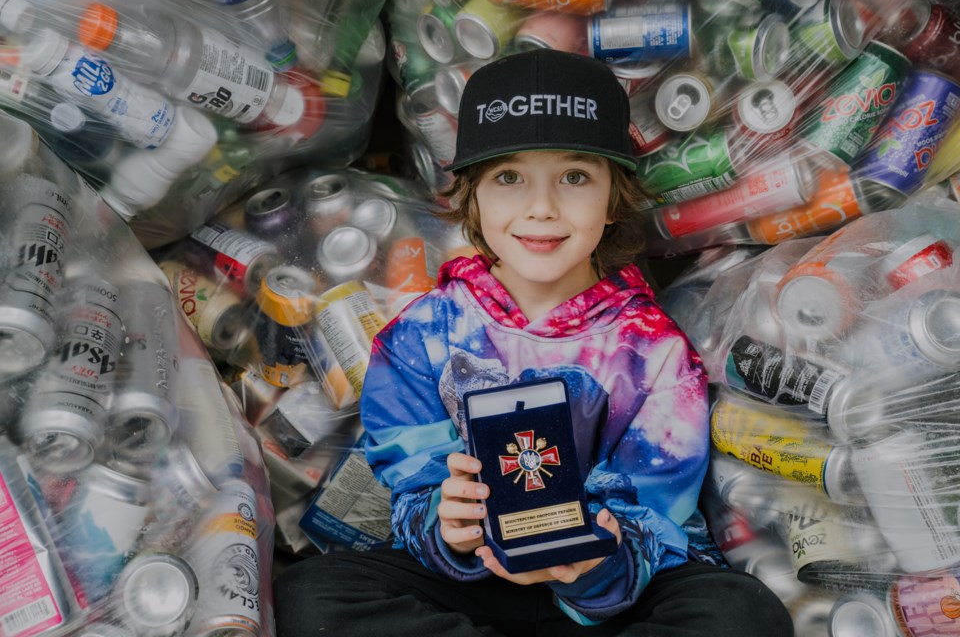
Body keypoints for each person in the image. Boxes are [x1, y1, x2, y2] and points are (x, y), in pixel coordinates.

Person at [274, 49, 794, 636]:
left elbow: (659, 513)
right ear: (470, 195)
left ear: (613, 196)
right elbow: (411, 484)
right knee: (312, 594)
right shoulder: (422, 336)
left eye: (574, 177)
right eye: (509, 178)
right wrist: (447, 528)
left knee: (740, 612)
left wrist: (600, 561)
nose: (541, 208)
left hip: (607, 594)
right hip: (470, 589)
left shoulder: (654, 351)